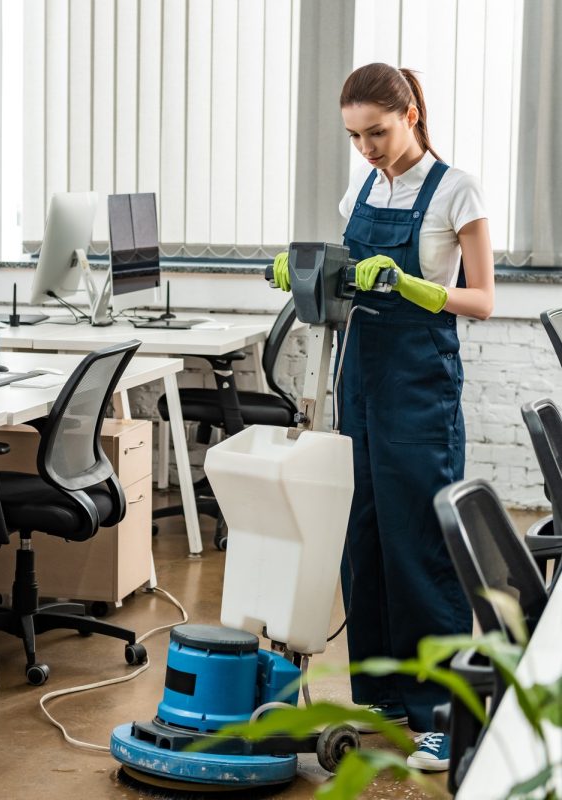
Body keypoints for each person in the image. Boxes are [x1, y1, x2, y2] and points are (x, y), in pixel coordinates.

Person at [273, 62, 495, 772]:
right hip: (359, 379)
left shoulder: (457, 190)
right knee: (361, 535)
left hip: (420, 386)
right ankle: (379, 692)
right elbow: (345, 274)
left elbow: (484, 299)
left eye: (378, 131)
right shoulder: (362, 187)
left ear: (411, 117)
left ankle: (440, 713)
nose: (366, 147)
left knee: (419, 544)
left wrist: (419, 289)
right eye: (354, 135)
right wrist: (304, 270)